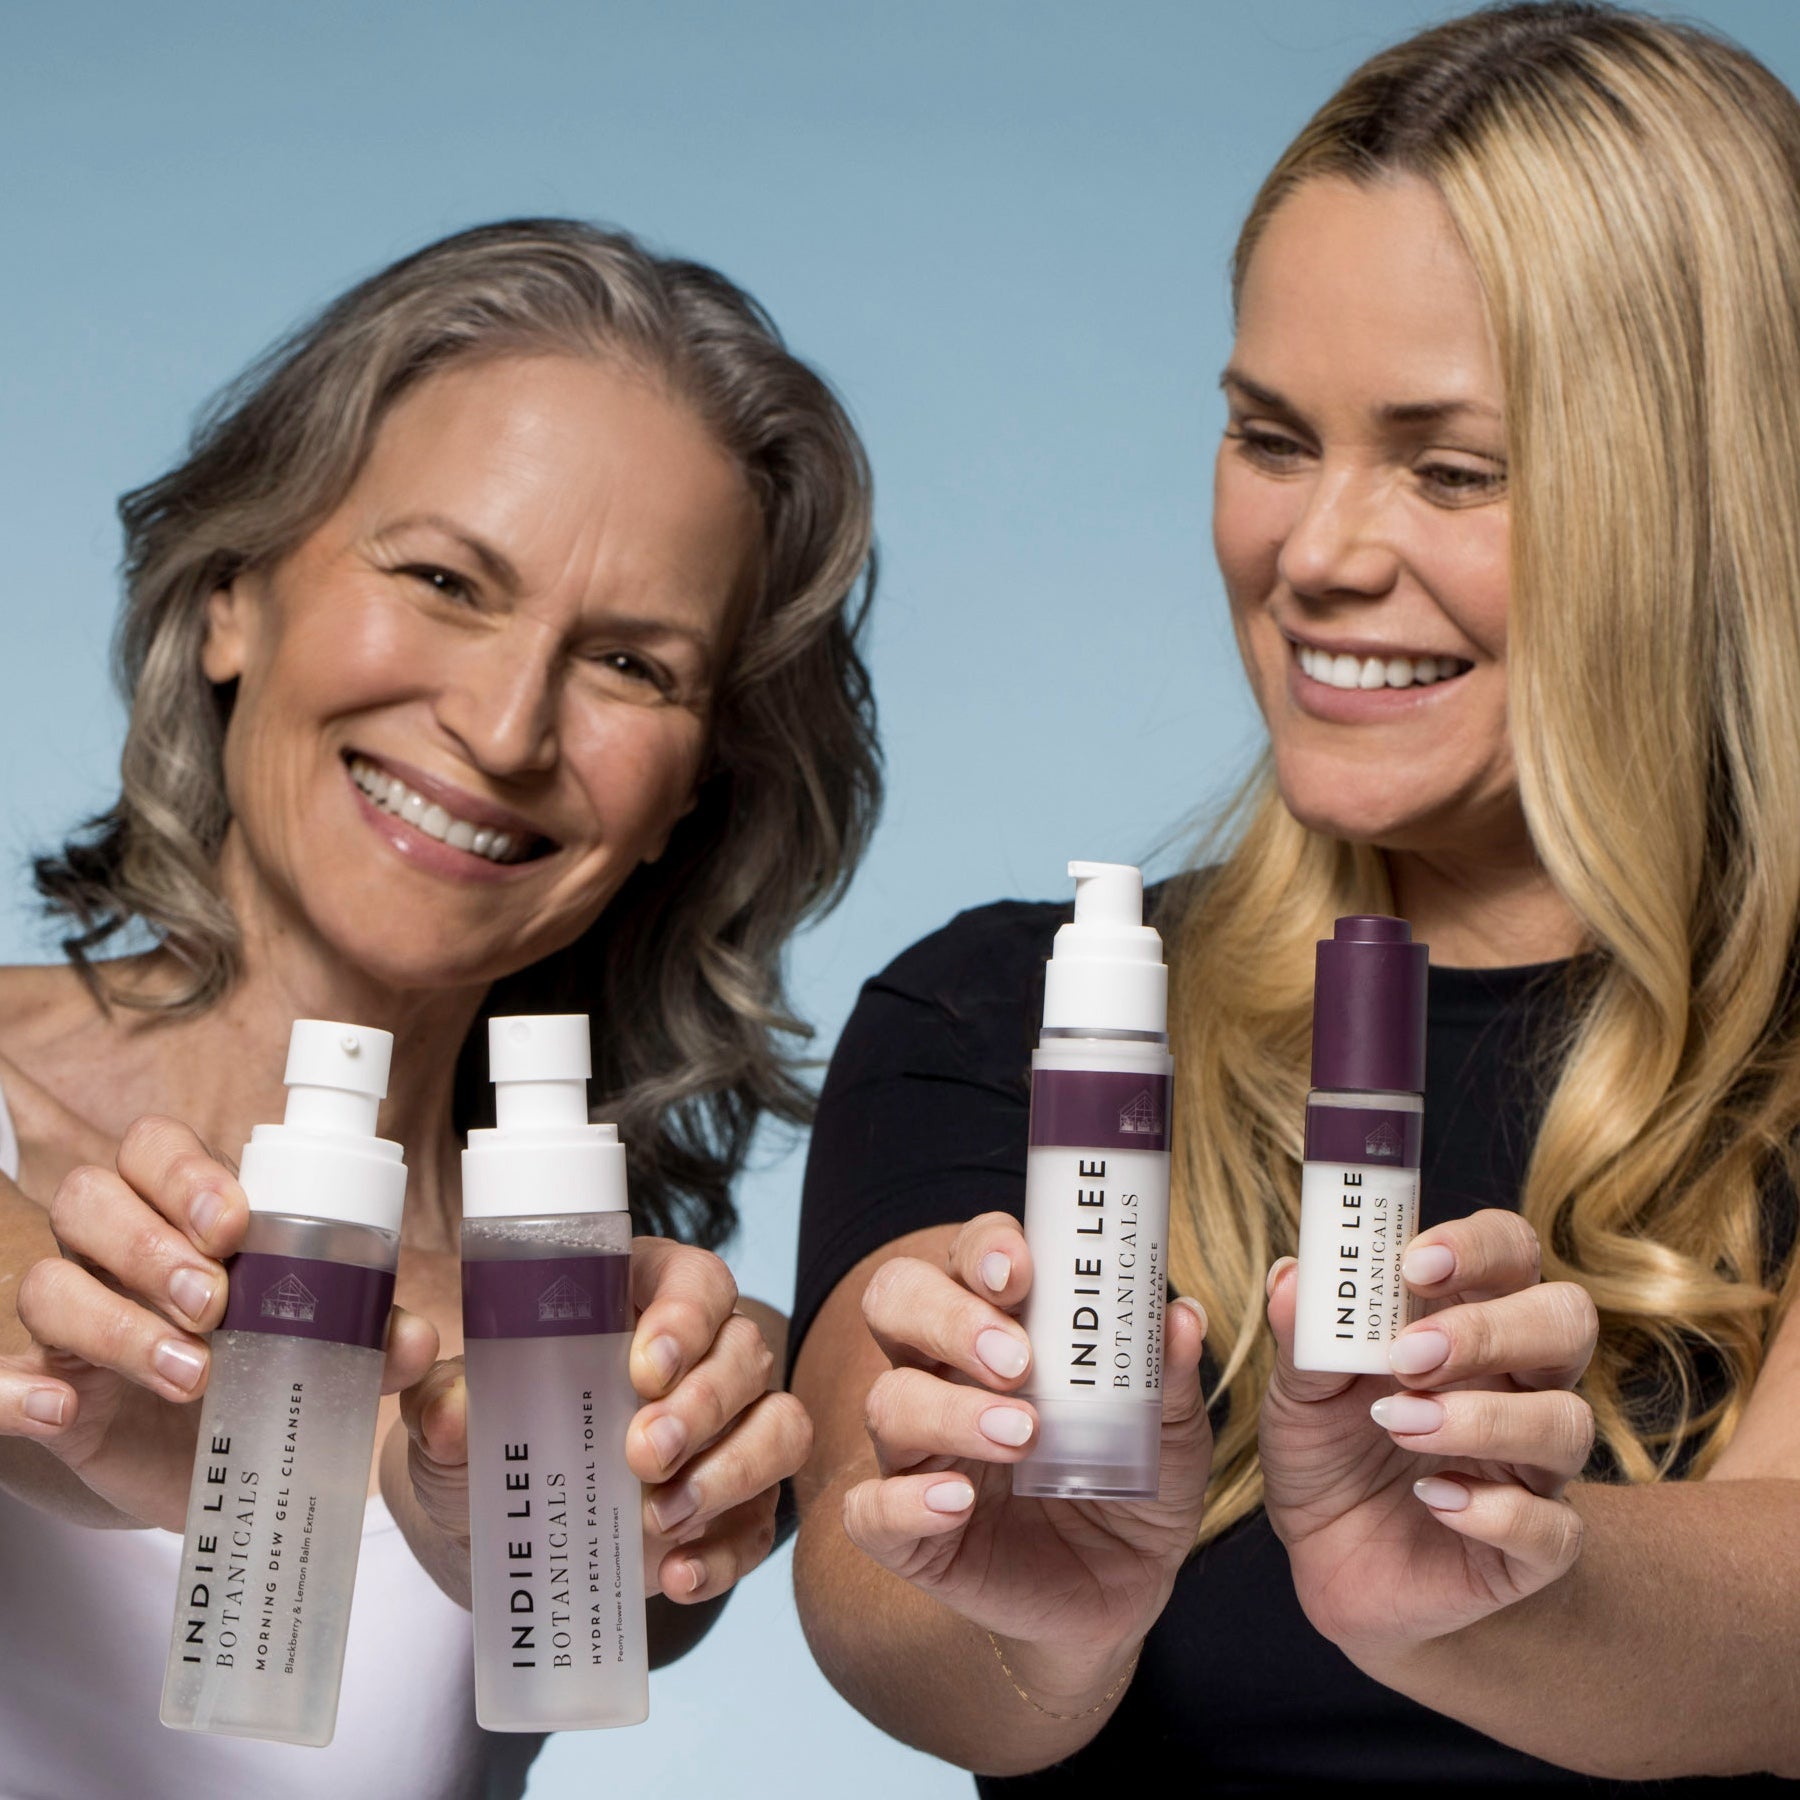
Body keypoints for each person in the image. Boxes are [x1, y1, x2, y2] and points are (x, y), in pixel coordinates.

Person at [790, 4, 1800, 1790]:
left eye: (1451, 468)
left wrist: (1485, 1592)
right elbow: (880, 1606)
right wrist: (1024, 1607)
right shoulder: (1003, 1019)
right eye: (1271, 437)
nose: (1317, 555)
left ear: (1700, 502)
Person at [0, 218, 878, 1798]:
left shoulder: (632, 1344)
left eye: (631, 665)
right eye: (444, 579)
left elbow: (574, 1587)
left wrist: (581, 1483)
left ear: (693, 792)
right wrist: (113, 1377)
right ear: (231, 595)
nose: (506, 726)